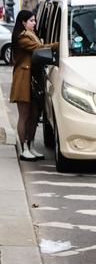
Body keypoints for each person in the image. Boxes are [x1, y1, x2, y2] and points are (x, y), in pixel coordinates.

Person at [9, 10, 59, 161]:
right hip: (24, 80)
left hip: (34, 80)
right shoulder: (21, 37)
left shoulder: (32, 36)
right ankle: (24, 148)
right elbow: (39, 48)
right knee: (24, 116)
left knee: (34, 115)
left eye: (35, 20)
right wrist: (59, 45)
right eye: (31, 21)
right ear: (23, 22)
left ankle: (30, 146)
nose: (34, 23)